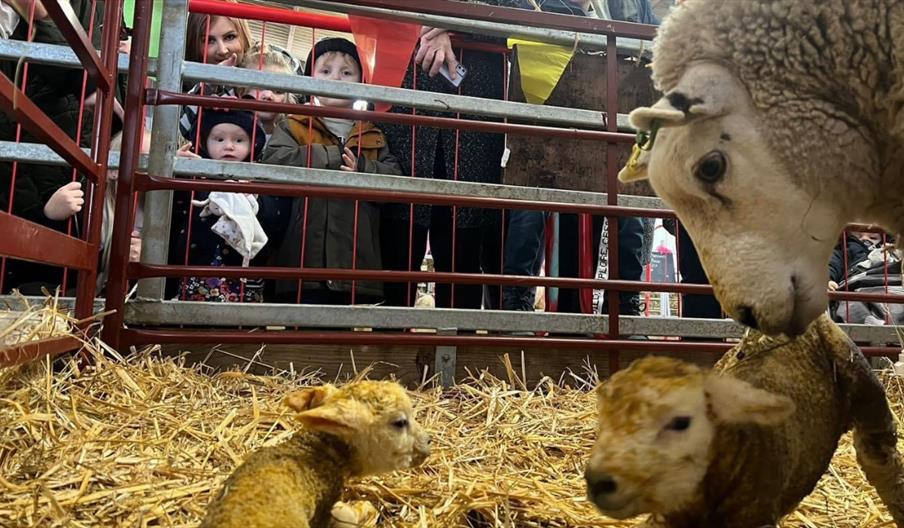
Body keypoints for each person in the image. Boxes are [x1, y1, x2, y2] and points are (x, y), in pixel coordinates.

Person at [381, 1, 531, 310]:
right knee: (399, 232)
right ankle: (392, 343)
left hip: (473, 126)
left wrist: (449, 22)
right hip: (407, 115)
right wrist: (433, 19)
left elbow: (520, 13)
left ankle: (459, 342)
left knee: (464, 241)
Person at [262, 38, 402, 305]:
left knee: (348, 342)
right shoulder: (292, 125)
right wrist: (332, 156)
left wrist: (362, 167)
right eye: (325, 71)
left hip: (357, 269)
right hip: (301, 265)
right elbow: (274, 162)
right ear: (309, 78)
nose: (335, 78)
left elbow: (394, 181)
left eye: (346, 72)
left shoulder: (373, 134)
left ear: (361, 82)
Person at [168, 110, 286, 302]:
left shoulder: (261, 179)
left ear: (252, 144)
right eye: (219, 139)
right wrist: (175, 170)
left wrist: (256, 200)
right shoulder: (193, 176)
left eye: (239, 140)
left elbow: (276, 221)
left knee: (237, 329)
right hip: (195, 273)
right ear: (204, 142)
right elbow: (169, 208)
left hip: (245, 277)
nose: (229, 146)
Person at [179, 2, 253, 140]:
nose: (222, 50)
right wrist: (209, 83)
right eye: (209, 40)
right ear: (194, 45)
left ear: (244, 37)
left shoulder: (268, 64)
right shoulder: (180, 81)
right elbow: (179, 132)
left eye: (230, 37)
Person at [238, 44, 300, 146]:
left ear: (287, 99)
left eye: (278, 91)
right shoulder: (229, 127)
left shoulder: (292, 136)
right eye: (259, 87)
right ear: (242, 91)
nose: (268, 95)